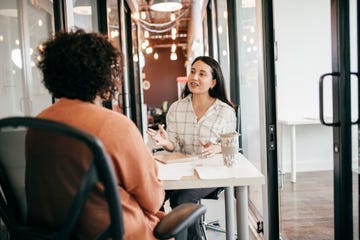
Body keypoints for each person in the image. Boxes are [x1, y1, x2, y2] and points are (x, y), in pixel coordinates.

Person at [28, 29, 165, 239]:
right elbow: (154, 200)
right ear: (103, 74)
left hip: (57, 234)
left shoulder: (37, 125)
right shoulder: (115, 125)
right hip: (113, 232)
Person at [147, 56, 237, 239]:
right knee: (152, 196)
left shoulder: (225, 111)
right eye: (193, 72)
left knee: (181, 199)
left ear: (213, 82)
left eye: (202, 74)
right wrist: (166, 143)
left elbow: (231, 146)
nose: (194, 77)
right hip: (180, 169)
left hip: (210, 171)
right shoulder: (176, 108)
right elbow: (175, 145)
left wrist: (217, 148)